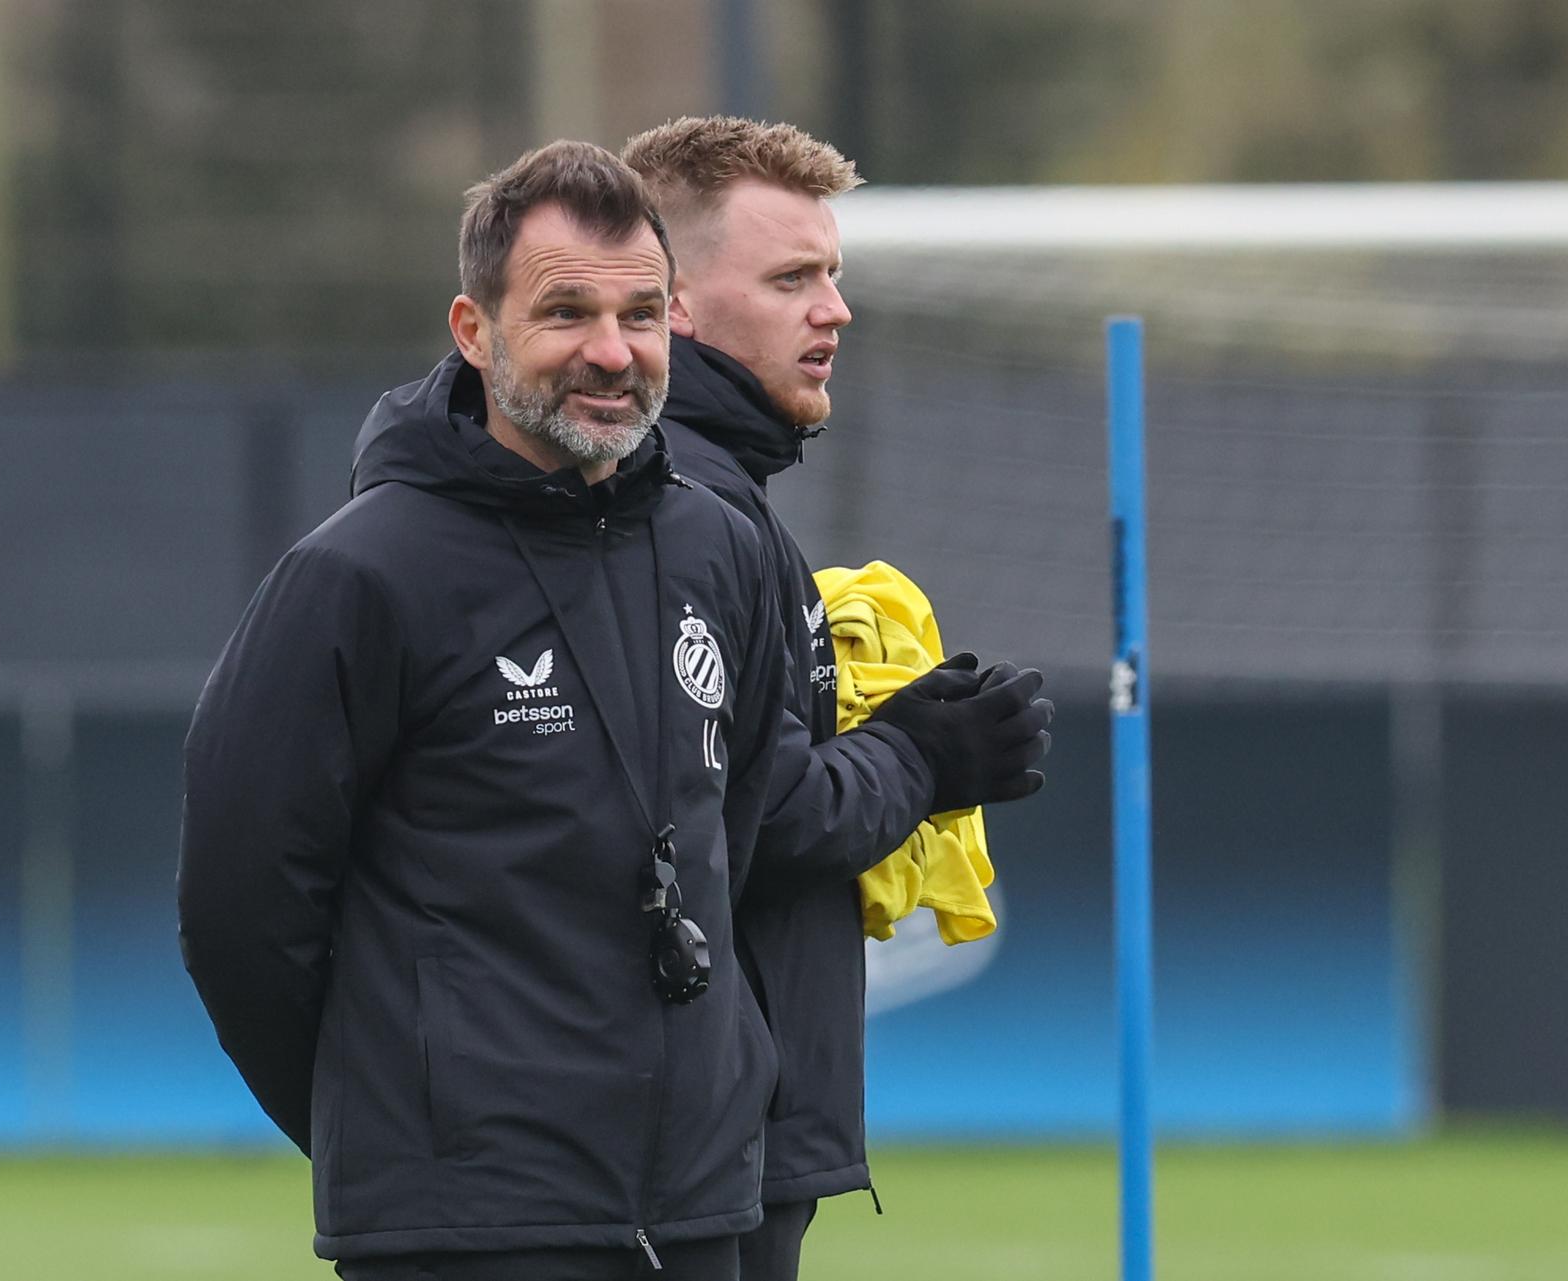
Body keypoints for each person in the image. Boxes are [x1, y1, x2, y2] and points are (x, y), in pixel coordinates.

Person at [179, 140, 795, 1281]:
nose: (612, 353)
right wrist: (401, 1122)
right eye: (568, 313)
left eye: (642, 314)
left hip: (700, 1210)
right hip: (467, 1226)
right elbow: (239, 910)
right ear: (475, 331)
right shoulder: (357, 576)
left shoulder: (723, 545)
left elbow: (741, 818)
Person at [622, 116, 1055, 1279]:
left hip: (729, 1118)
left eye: (835, 275)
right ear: (671, 304)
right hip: (698, 1129)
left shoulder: (720, 497)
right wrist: (923, 754)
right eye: (792, 277)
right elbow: (728, 815)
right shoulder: (677, 509)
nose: (835, 310)